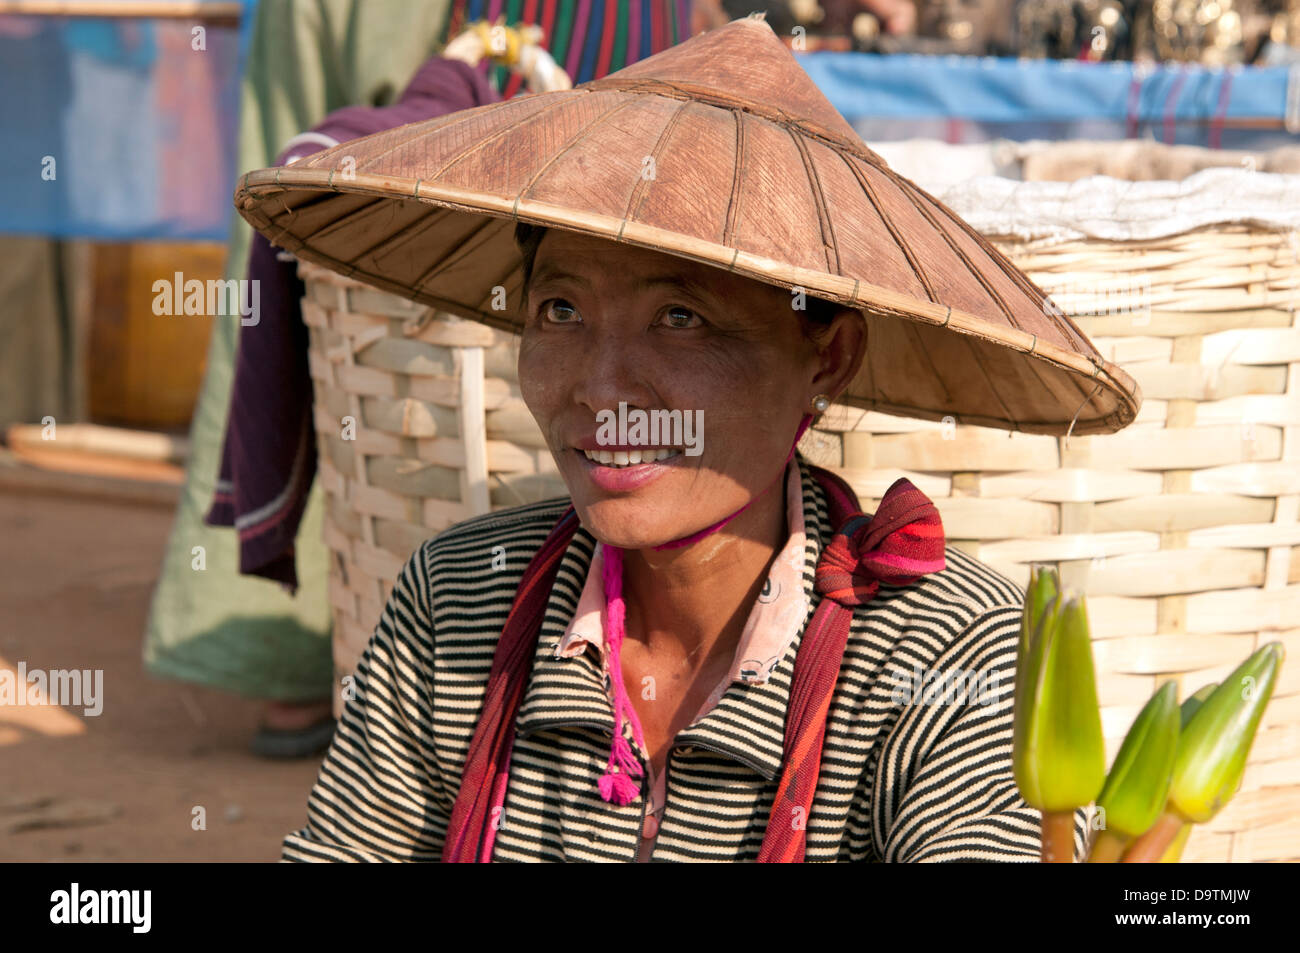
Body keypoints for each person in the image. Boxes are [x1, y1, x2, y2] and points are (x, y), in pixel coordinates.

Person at [238, 15, 1140, 861]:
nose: (600, 388)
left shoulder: (948, 653)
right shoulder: (456, 605)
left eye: (680, 316)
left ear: (827, 356)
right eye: (560, 309)